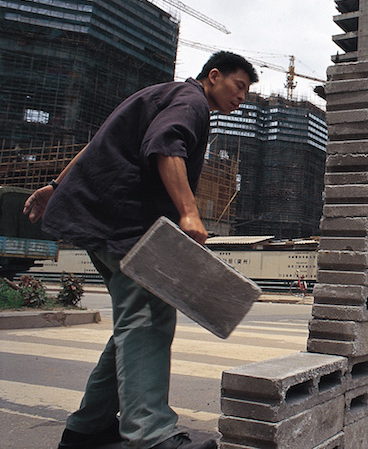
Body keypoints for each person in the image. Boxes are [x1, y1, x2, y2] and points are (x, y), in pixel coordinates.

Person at [23, 52, 258, 449]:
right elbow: (167, 143)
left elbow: (97, 144)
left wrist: (55, 186)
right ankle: (152, 435)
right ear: (213, 76)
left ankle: (89, 428)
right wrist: (188, 211)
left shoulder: (160, 94)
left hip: (101, 221)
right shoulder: (192, 102)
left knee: (133, 324)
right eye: (239, 86)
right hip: (124, 224)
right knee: (148, 316)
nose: (243, 98)